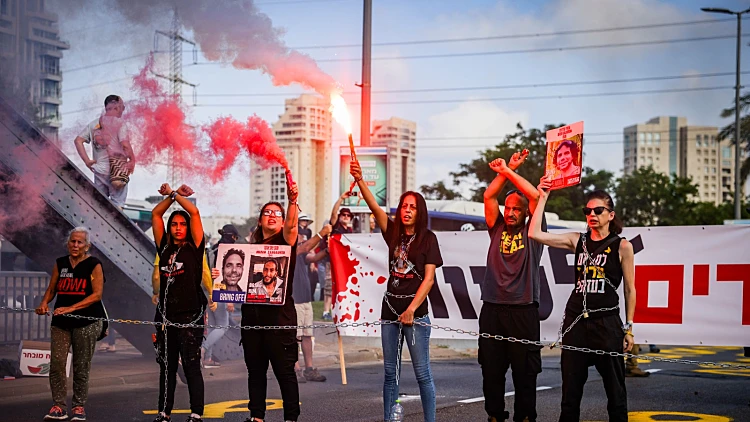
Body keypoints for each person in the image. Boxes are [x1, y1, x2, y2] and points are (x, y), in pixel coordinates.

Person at [529, 182, 635, 422]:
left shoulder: (622, 246)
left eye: (598, 211)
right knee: (570, 394)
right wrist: (542, 198)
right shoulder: (578, 240)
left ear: (611, 214)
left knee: (616, 393)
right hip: (576, 323)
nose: (592, 215)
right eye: (587, 211)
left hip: (607, 323)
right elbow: (535, 234)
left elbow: (630, 288)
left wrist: (628, 328)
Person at [351, 161, 443, 422]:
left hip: (416, 314)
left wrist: (412, 309)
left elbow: (428, 280)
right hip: (389, 310)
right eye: (404, 206)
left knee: (422, 373)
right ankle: (390, 419)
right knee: (390, 373)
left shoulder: (428, 238)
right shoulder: (392, 232)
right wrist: (359, 180)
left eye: (413, 207)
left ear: (420, 212)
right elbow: (374, 207)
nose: (407, 211)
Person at [480, 151, 544, 422]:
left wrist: (509, 171)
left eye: (517, 209)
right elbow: (488, 197)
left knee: (525, 374)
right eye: (509, 208)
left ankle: (525, 418)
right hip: (493, 309)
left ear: (526, 213)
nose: (511, 212)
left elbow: (537, 197)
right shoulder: (496, 228)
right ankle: (495, 416)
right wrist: (504, 172)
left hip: (523, 311)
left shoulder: (534, 231)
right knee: (491, 372)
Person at [241, 180, 300, 422]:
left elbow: (293, 229)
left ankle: (291, 418)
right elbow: (235, 282)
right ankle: (257, 417)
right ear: (260, 220)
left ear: (284, 220)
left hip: (280, 320)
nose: (272, 216)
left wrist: (293, 201)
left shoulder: (285, 241)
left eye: (278, 213)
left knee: (285, 373)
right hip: (252, 321)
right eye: (268, 212)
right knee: (255, 372)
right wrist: (221, 278)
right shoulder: (249, 248)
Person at [151, 183, 210, 422]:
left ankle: (196, 412)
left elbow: (194, 213)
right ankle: (164, 413)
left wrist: (175, 195)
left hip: (190, 317)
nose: (178, 228)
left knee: (191, 365)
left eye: (182, 224)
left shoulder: (195, 248)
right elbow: (156, 214)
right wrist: (168, 199)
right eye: (174, 224)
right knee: (167, 369)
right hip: (166, 317)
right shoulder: (164, 248)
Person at [36, 227, 106, 422]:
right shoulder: (61, 263)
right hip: (60, 322)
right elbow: (52, 288)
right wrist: (43, 303)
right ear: (68, 243)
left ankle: (78, 407)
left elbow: (97, 295)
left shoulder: (94, 264)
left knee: (81, 365)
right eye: (72, 241)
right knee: (57, 363)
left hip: (87, 322)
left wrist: (71, 308)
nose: (75, 245)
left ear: (87, 246)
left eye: (80, 242)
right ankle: (59, 406)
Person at [73, 95, 135, 208]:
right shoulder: (119, 123)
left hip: (99, 171)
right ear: (116, 107)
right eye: (122, 107)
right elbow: (125, 144)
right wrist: (132, 160)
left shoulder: (93, 124)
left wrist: (87, 161)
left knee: (100, 206)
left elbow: (78, 141)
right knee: (117, 206)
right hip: (117, 172)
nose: (123, 110)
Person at [292, 226, 331, 383]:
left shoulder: (301, 254)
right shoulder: (290, 250)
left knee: (307, 335)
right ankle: (295, 369)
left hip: (305, 299)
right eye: (299, 234)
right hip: (293, 300)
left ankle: (309, 368)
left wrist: (328, 250)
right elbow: (306, 247)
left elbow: (313, 258)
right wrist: (322, 233)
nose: (302, 236)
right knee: (295, 337)